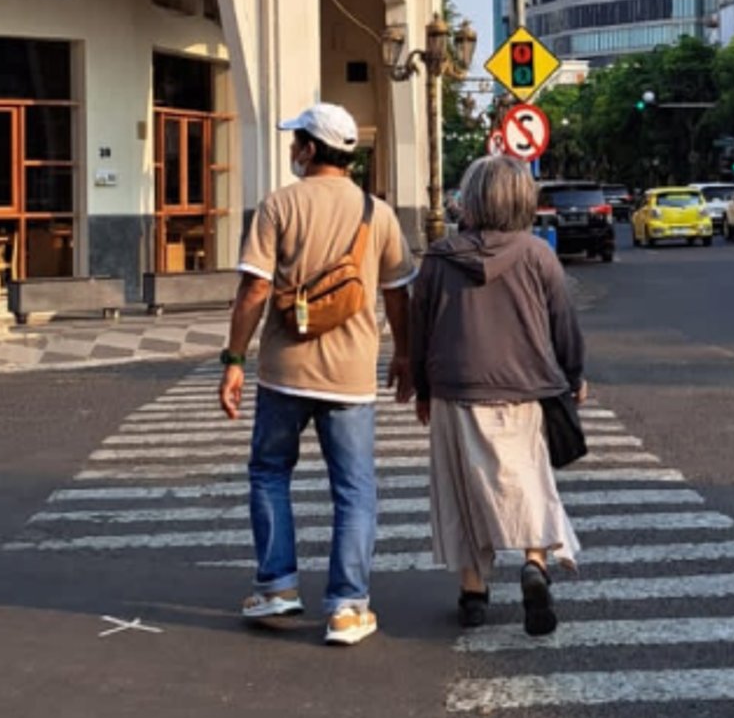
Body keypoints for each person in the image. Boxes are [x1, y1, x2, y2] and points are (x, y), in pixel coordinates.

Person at [219, 102, 415, 646]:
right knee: (354, 489)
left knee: (269, 472)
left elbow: (255, 289)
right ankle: (347, 607)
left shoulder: (278, 205)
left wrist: (233, 360)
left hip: (283, 372)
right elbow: (399, 294)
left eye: (295, 141)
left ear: (309, 149)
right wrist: (405, 356)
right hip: (352, 377)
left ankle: (277, 585)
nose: (291, 149)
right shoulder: (378, 213)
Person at [411, 155, 585, 637]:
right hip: (526, 388)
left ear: (471, 198)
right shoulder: (538, 255)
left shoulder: (439, 259)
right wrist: (574, 375)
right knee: (529, 479)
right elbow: (563, 323)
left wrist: (422, 388)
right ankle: (534, 562)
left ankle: (472, 591)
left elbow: (420, 330)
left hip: (455, 389)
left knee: (461, 490)